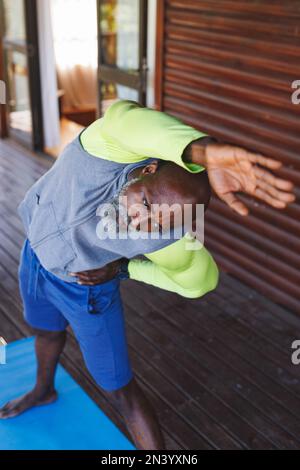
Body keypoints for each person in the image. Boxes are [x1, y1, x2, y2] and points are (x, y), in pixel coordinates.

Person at [0, 101, 295, 450]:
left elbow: (201, 281)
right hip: (34, 258)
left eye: (161, 221)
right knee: (46, 333)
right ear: (148, 169)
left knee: (120, 389)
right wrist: (205, 151)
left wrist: (125, 268)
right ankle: (43, 390)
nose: (142, 223)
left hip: (86, 291)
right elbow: (125, 118)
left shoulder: (167, 237)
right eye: (148, 205)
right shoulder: (102, 156)